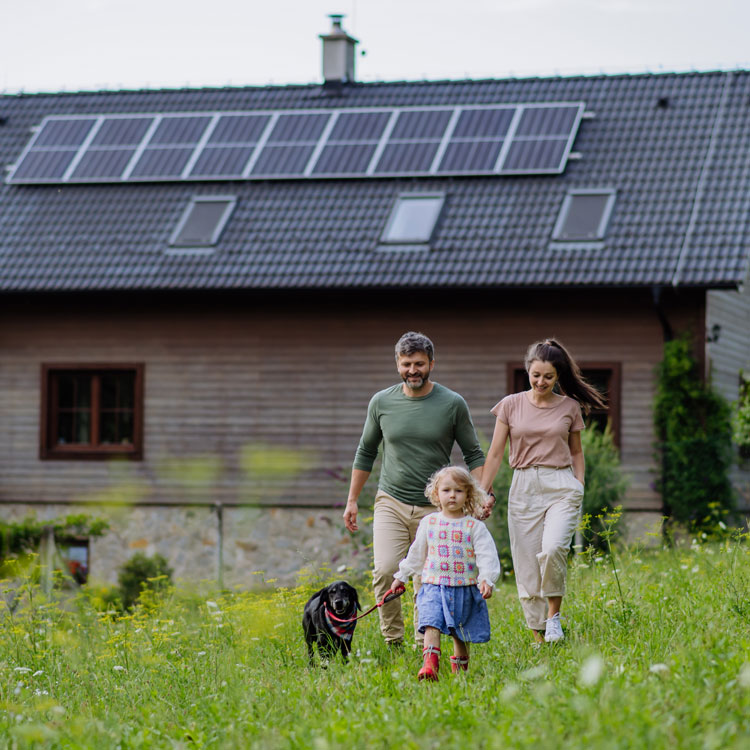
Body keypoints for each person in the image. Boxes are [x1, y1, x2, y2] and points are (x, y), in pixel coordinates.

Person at [343, 332, 485, 647]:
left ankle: (427, 643)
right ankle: (393, 641)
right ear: (398, 364)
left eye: (419, 363)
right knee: (385, 570)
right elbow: (365, 452)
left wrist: (480, 495)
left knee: (428, 578)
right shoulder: (381, 402)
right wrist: (352, 500)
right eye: (406, 364)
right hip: (390, 500)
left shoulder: (452, 403)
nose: (413, 370)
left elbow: (474, 454)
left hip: (436, 508)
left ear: (431, 363)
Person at [481, 338, 606, 644]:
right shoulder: (510, 405)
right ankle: (538, 637)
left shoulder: (570, 407)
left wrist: (578, 484)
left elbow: (577, 452)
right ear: (528, 371)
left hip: (561, 486)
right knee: (526, 563)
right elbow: (496, 453)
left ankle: (553, 618)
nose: (541, 382)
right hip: (523, 485)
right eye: (536, 375)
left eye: (548, 377)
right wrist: (482, 491)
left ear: (558, 376)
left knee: (552, 550)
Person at [391, 466, 500, 680]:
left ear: (468, 495)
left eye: (459, 491)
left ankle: (460, 672)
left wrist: (487, 578)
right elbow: (416, 554)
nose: (452, 495)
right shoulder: (429, 523)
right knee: (431, 622)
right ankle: (430, 665)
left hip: (464, 588)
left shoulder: (474, 527)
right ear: (436, 494)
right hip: (433, 586)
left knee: (461, 633)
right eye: (446, 490)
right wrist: (401, 576)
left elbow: (487, 555)